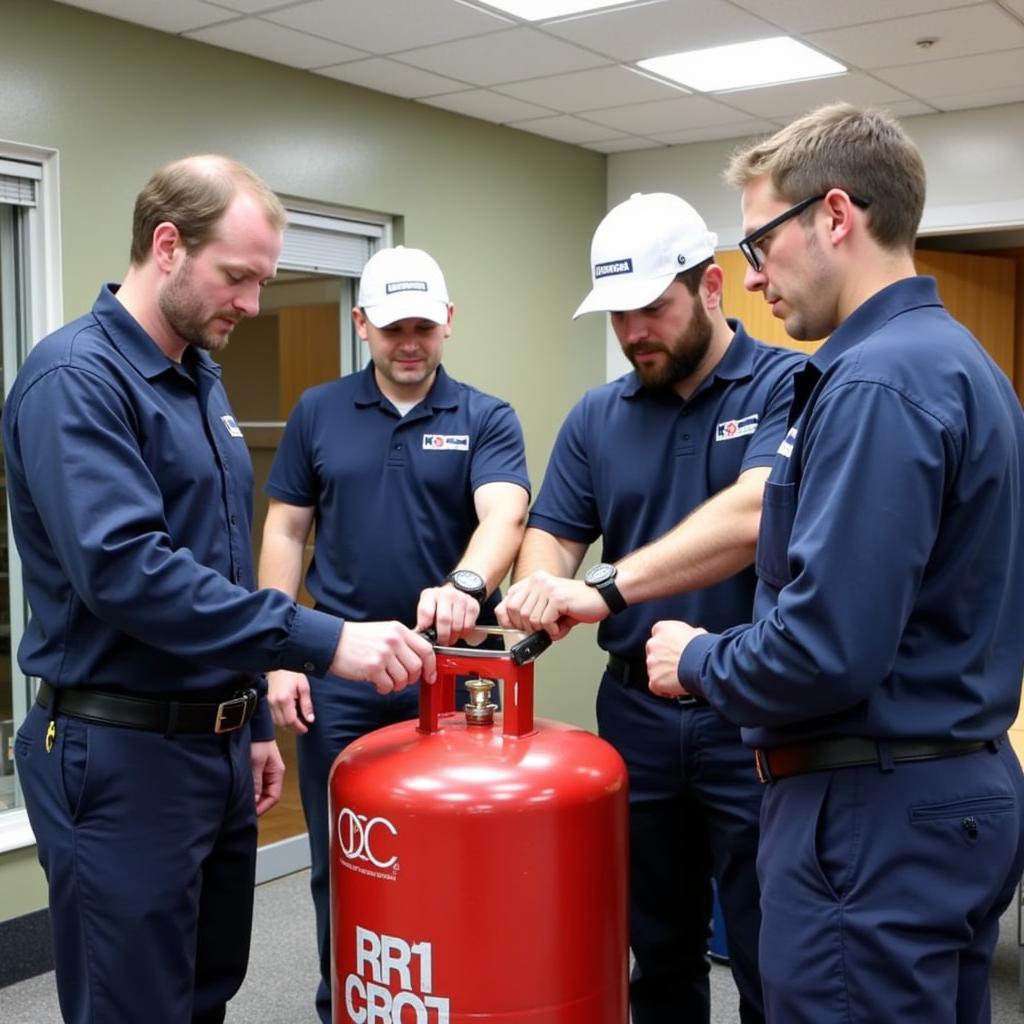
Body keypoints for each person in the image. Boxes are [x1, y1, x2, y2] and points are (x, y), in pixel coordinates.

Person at [5, 156, 435, 1024]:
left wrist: (250, 718)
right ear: (166, 246)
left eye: (262, 281)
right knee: (136, 1006)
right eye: (236, 276)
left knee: (207, 989)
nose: (251, 302)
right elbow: (132, 573)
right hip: (117, 751)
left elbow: (219, 560)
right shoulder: (76, 381)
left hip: (212, 744)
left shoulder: (198, 378)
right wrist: (325, 640)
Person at [646, 103, 1024, 1023]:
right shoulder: (960, 363)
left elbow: (823, 648)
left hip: (872, 815)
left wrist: (696, 658)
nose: (750, 276)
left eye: (760, 242)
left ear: (836, 215)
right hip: (947, 792)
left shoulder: (877, 383)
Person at [497, 192, 804, 1023]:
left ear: (711, 287)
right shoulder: (599, 414)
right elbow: (555, 534)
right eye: (618, 316)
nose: (634, 332)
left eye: (651, 309)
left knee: (770, 943)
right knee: (657, 946)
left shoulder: (789, 384)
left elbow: (751, 516)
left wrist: (598, 586)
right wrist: (539, 583)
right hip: (635, 707)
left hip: (751, 704)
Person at [258, 243, 530, 1023]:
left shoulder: (485, 415)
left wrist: (466, 585)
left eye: (422, 326)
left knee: (460, 848)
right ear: (362, 325)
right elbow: (285, 531)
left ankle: (460, 995)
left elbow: (504, 513)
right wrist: (279, 652)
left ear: (447, 323)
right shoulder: (319, 410)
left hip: (454, 678)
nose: (408, 342)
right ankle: (345, 999)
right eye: (390, 328)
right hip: (342, 672)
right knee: (344, 856)